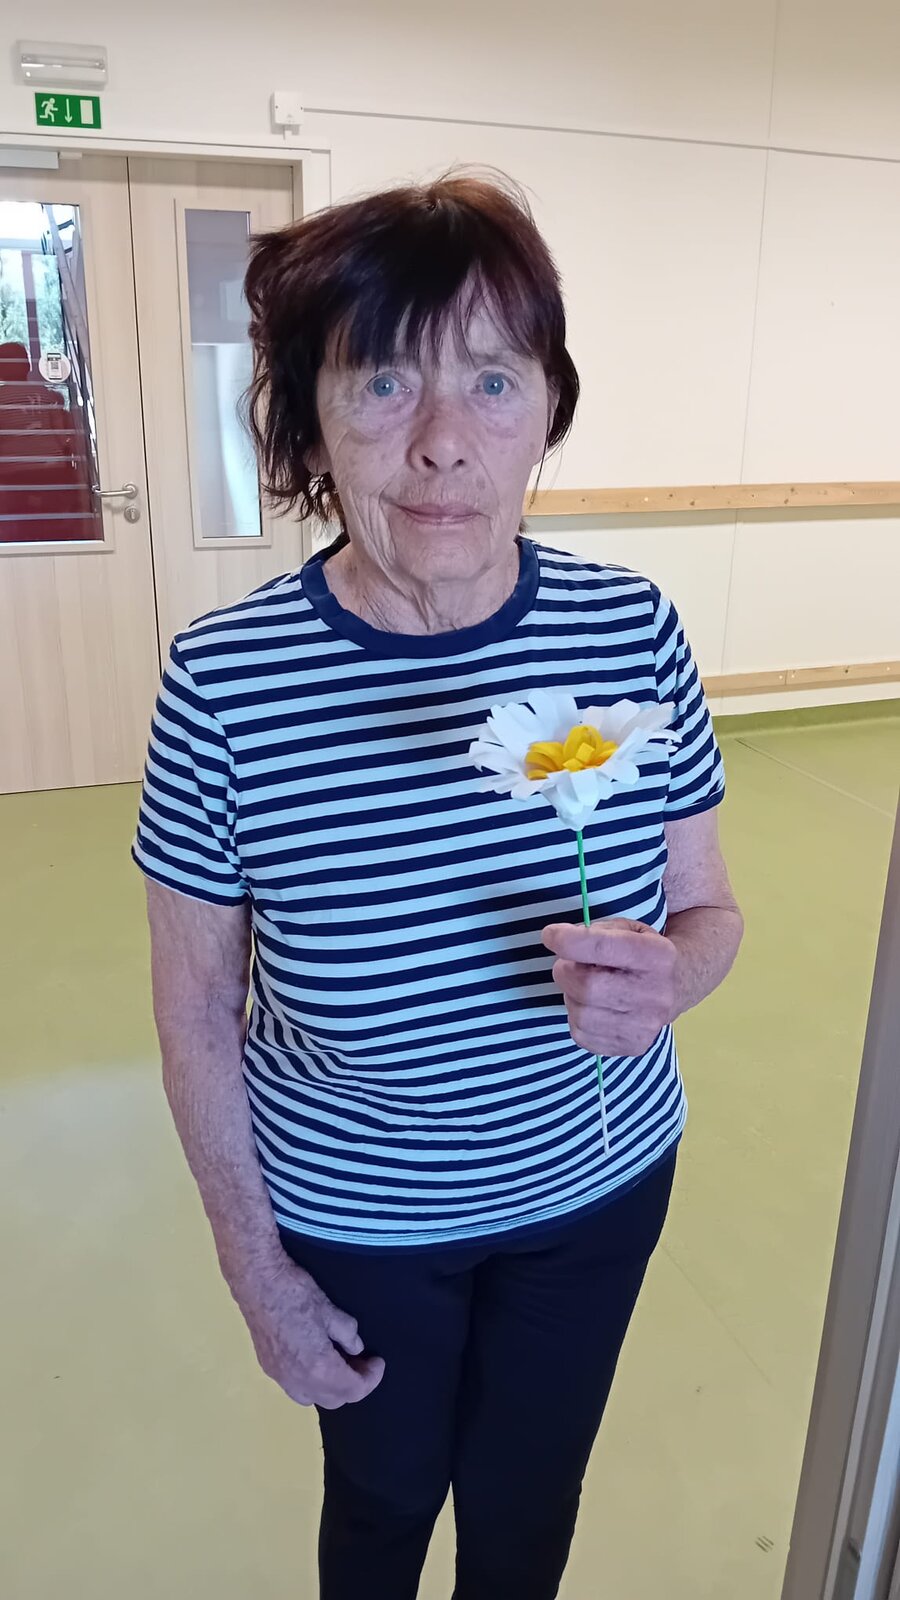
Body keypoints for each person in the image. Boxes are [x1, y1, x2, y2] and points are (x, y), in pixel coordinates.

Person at [133, 171, 744, 1600]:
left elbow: (710, 911)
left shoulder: (630, 627)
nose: (444, 442)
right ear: (308, 421)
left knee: (529, 1508)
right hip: (359, 1218)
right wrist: (257, 1274)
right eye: (383, 382)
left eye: (493, 379)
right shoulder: (224, 685)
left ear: (547, 410)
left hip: (598, 1185)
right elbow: (196, 1010)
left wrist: (676, 976)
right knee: (384, 1503)